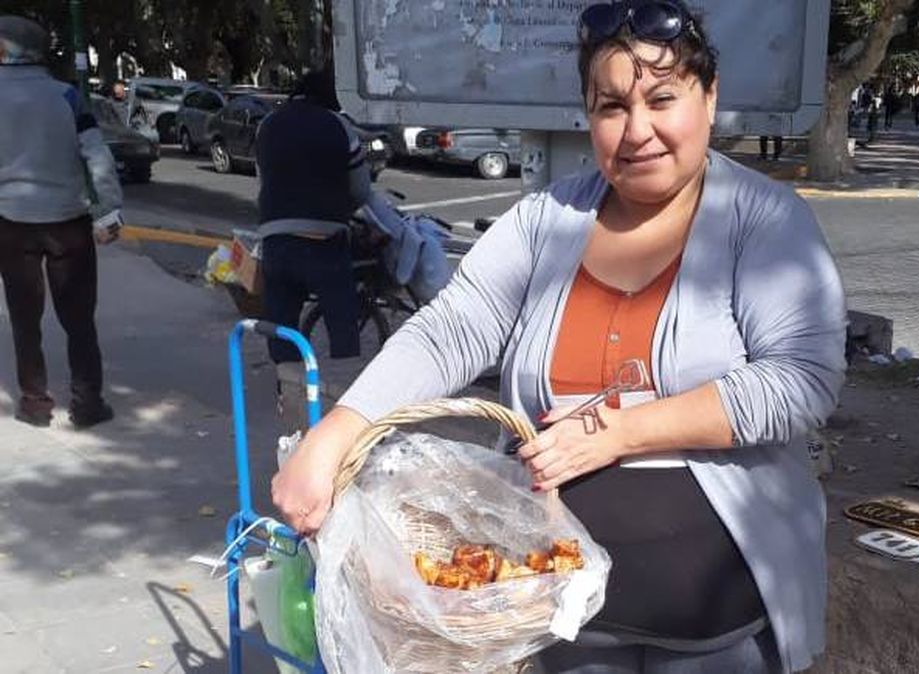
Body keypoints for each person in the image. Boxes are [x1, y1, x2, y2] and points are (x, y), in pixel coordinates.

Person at [271, 0, 846, 672]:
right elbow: (451, 331)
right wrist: (336, 433)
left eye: (663, 99)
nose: (638, 131)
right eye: (611, 108)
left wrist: (620, 430)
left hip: (714, 629)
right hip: (558, 621)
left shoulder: (764, 220)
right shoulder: (547, 220)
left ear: (709, 97)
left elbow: (802, 382)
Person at [0, 15, 123, 428]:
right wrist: (109, 210)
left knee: (24, 318)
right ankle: (87, 403)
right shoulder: (67, 96)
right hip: (68, 220)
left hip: (11, 222)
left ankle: (35, 403)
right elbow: (96, 155)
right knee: (79, 320)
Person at [255, 67, 372, 363]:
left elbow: (263, 179)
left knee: (281, 324)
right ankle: (342, 389)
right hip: (324, 238)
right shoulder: (337, 125)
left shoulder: (268, 124)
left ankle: (289, 392)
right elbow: (360, 189)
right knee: (341, 315)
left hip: (275, 237)